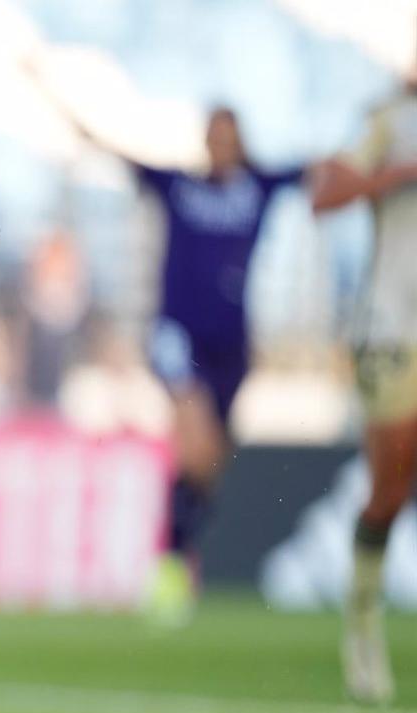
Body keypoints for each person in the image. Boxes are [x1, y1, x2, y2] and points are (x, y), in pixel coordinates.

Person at [37, 81, 311, 620]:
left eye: (229, 136)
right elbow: (116, 154)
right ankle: (168, 568)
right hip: (177, 336)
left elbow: (320, 172)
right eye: (214, 136)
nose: (221, 145)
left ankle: (177, 553)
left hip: (233, 346)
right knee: (195, 438)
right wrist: (66, 108)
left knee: (206, 466)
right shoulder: (178, 187)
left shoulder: (259, 186)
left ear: (241, 142)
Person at [311, 40, 417, 704]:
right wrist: (393, 177)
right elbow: (326, 193)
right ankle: (362, 618)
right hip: (393, 327)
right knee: (391, 484)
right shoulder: (391, 120)